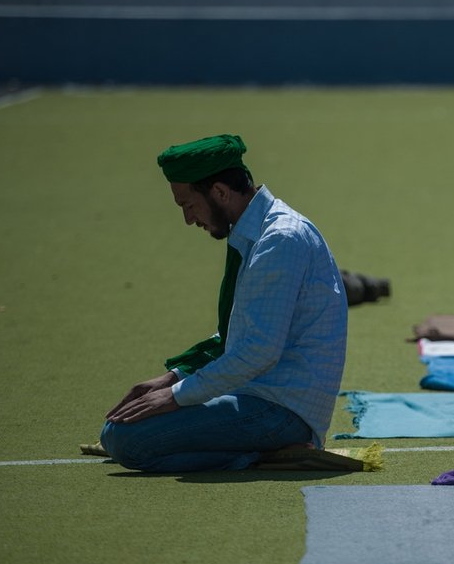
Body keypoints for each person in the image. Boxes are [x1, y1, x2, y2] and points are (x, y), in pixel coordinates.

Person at [99, 134, 348, 472]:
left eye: (188, 205)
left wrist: (175, 397)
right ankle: (267, 451)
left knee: (123, 440)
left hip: (281, 411)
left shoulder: (280, 240)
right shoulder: (259, 233)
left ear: (219, 191)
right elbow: (237, 335)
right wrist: (174, 378)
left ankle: (271, 452)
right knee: (121, 430)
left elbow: (258, 350)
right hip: (258, 396)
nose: (188, 219)